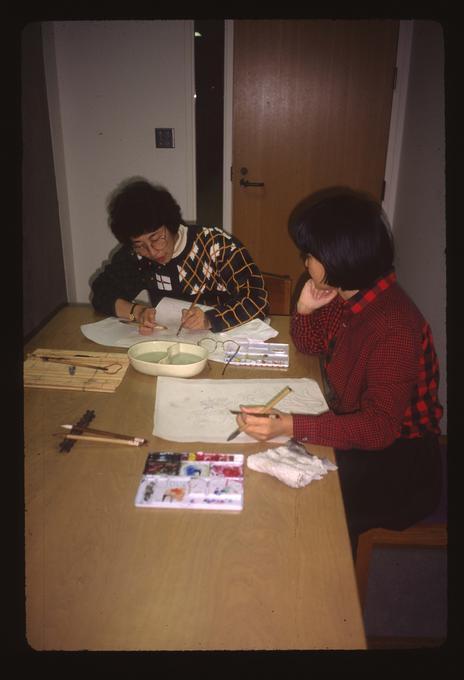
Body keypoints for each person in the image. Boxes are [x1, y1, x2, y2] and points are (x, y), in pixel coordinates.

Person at [237, 188, 443, 557]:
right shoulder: (347, 292)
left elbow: (379, 428)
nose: (305, 264)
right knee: (267, 470)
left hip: (399, 463)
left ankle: (321, 583)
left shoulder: (393, 326)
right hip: (359, 429)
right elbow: (311, 345)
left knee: (299, 501)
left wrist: (291, 425)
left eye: (310, 255)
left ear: (339, 257)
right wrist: (304, 310)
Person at [91, 177, 268, 334]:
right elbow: (102, 293)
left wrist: (210, 319)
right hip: (170, 344)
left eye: (157, 238)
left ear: (171, 224)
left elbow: (257, 300)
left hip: (224, 343)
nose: (152, 251)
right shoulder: (137, 256)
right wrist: (138, 312)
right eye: (140, 245)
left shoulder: (217, 246)